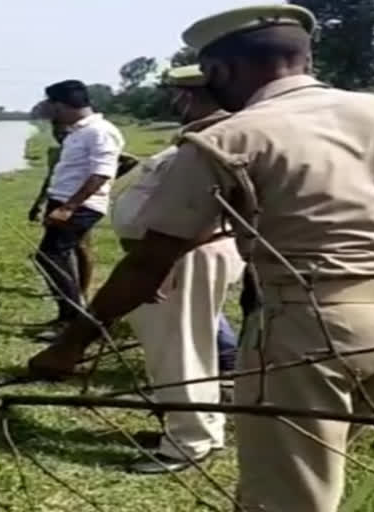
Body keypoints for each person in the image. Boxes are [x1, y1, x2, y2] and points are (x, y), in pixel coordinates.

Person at [27, 5, 374, 511]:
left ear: (220, 72)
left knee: (286, 496)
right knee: (317, 465)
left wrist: (71, 345)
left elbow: (148, 263)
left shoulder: (232, 136)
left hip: (309, 330)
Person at [106, 65, 244, 473]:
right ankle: (199, 428)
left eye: (178, 94)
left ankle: (186, 442)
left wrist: (157, 264)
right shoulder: (200, 137)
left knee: (179, 349)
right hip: (176, 255)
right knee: (186, 346)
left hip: (180, 256)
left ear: (188, 95)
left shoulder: (212, 140)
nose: (175, 101)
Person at [32, 80, 125, 341]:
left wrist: (68, 208)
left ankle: (74, 319)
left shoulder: (100, 131)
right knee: (56, 256)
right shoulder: (78, 131)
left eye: (52, 105)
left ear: (61, 105)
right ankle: (69, 314)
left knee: (50, 257)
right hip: (63, 201)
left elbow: (101, 174)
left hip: (79, 205)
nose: (50, 111)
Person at [28, 121, 140, 305]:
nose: (59, 134)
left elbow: (121, 164)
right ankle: (71, 295)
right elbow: (50, 179)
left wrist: (105, 183)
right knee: (59, 252)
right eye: (57, 131)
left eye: (62, 130)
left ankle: (80, 295)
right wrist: (39, 203)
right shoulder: (57, 151)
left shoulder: (92, 140)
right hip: (59, 198)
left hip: (81, 202)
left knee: (77, 248)